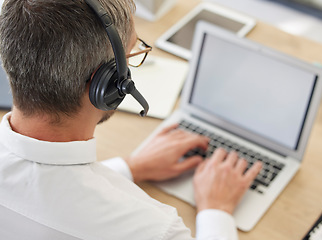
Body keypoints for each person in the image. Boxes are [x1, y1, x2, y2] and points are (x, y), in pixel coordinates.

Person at [0, 0, 262, 239]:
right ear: (108, 85)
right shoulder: (152, 229)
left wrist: (130, 167)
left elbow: (42, 191)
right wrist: (216, 210)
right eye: (131, 53)